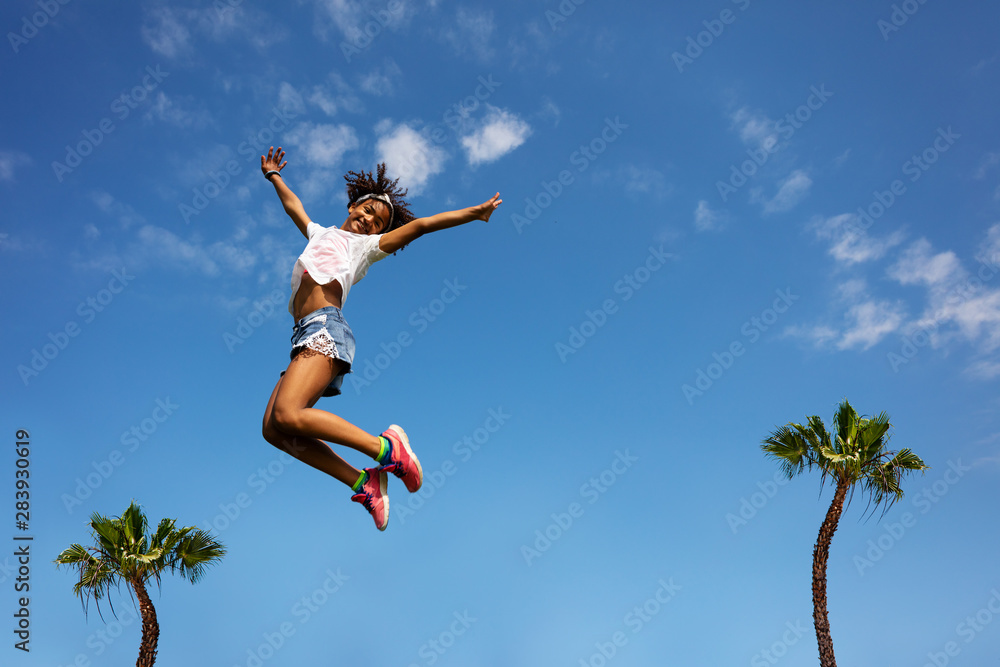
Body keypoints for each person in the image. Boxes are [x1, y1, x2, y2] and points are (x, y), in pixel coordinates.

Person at [259, 146, 501, 531]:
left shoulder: (365, 249)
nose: (370, 221)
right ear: (354, 205)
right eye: (368, 210)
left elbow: (420, 226)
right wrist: (274, 175)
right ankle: (364, 481)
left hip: (325, 327)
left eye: (378, 222)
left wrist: (475, 213)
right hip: (302, 335)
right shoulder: (320, 232)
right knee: (274, 429)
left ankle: (387, 449)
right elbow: (294, 206)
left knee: (289, 413)